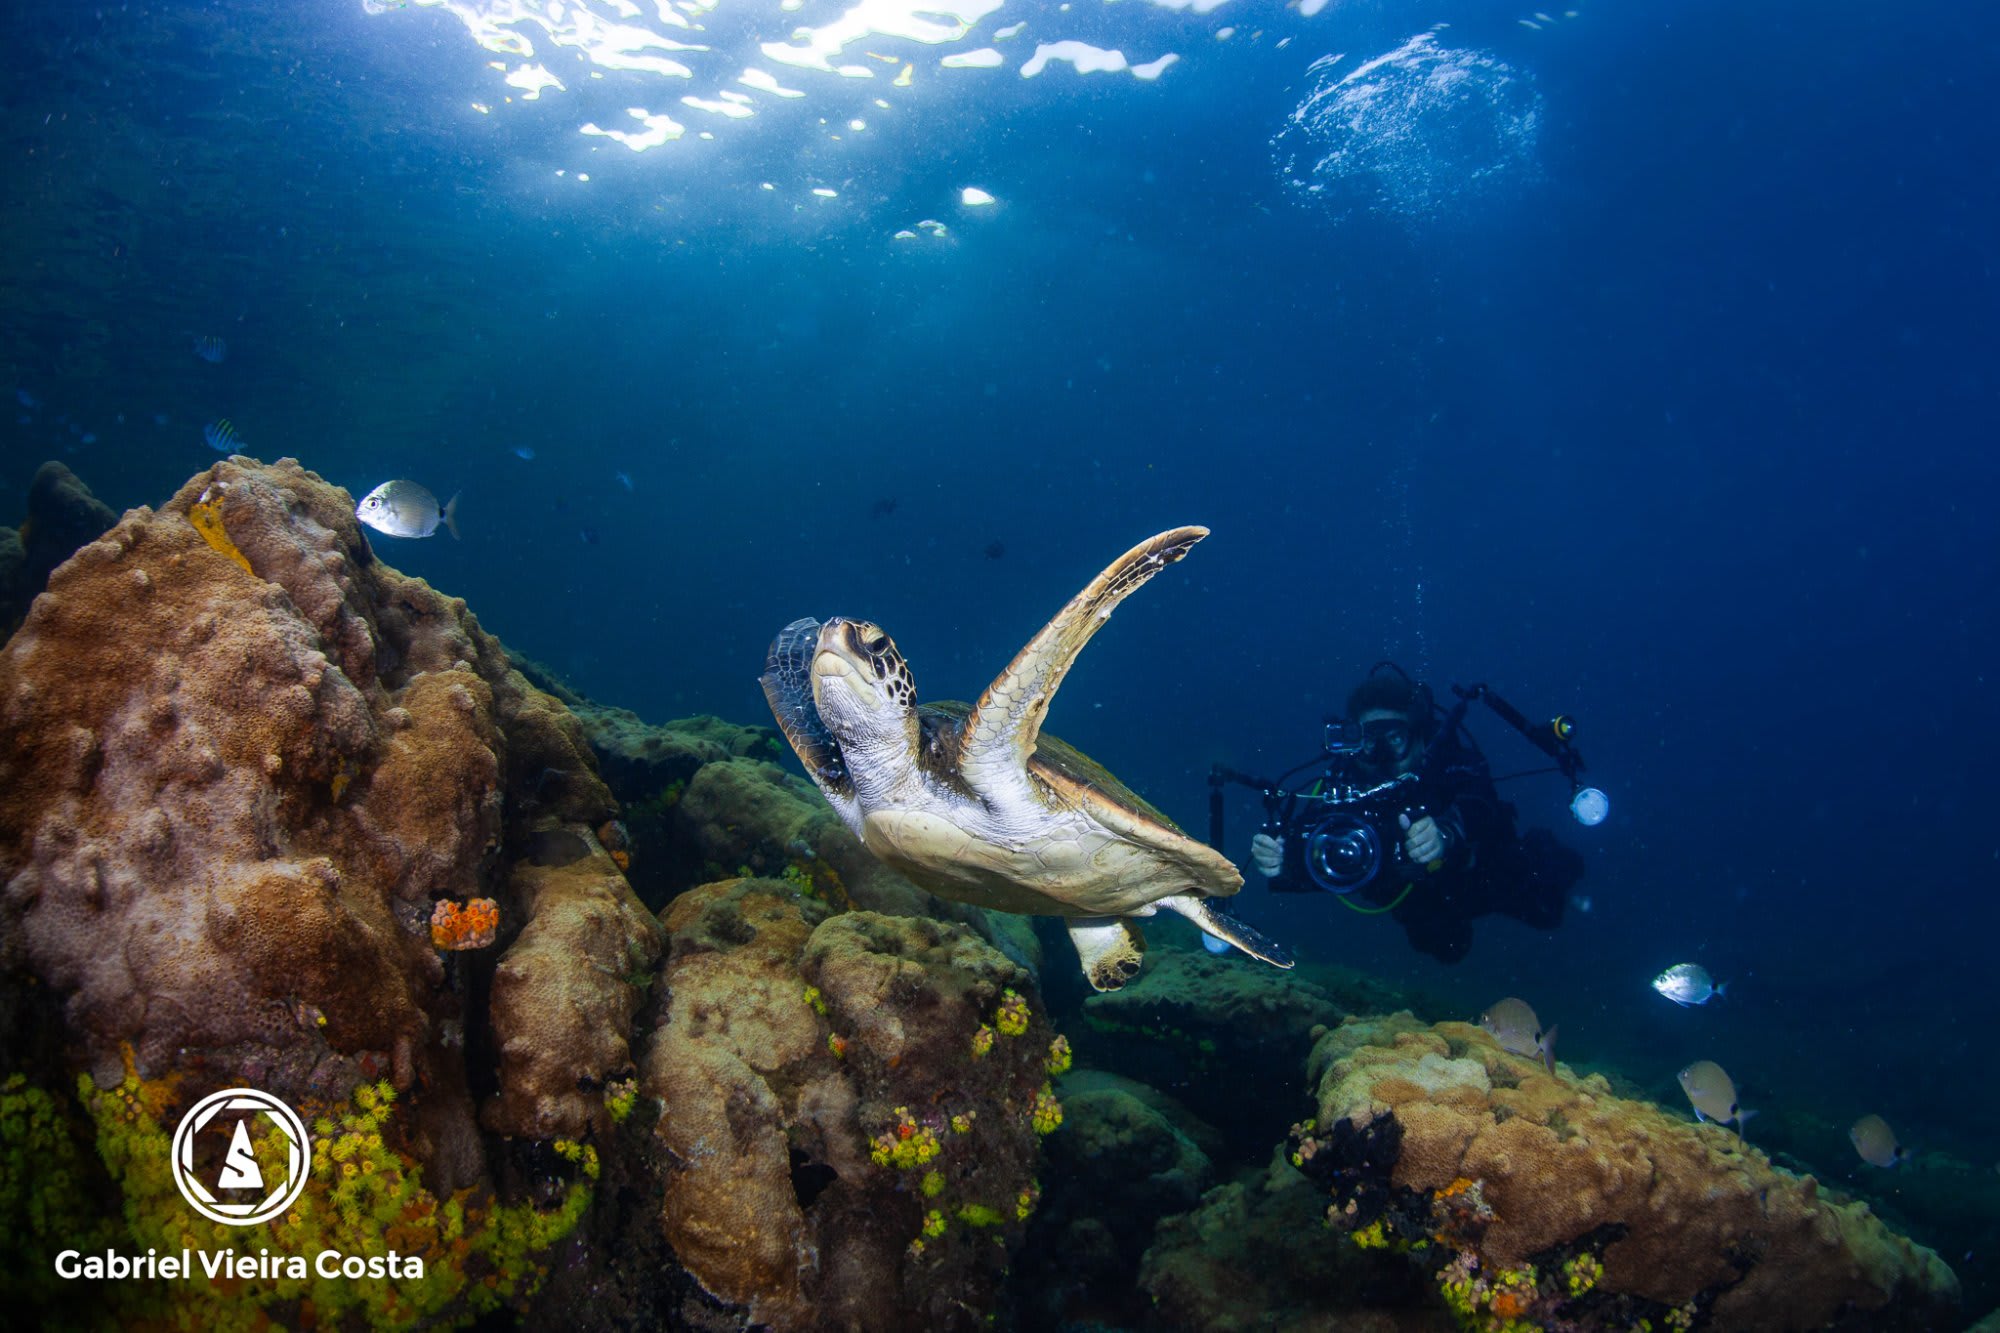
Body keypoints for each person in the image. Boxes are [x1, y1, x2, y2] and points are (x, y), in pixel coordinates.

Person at [1249, 665, 1582, 964]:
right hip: (1413, 897)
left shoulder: (1450, 760)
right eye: (1368, 741)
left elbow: (1480, 802)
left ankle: (1548, 860)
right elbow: (1315, 842)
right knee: (1444, 946)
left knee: (1545, 906)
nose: (1379, 754)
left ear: (1419, 735)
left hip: (1478, 873)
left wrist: (1447, 832)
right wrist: (1283, 860)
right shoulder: (1344, 779)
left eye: (1394, 738)